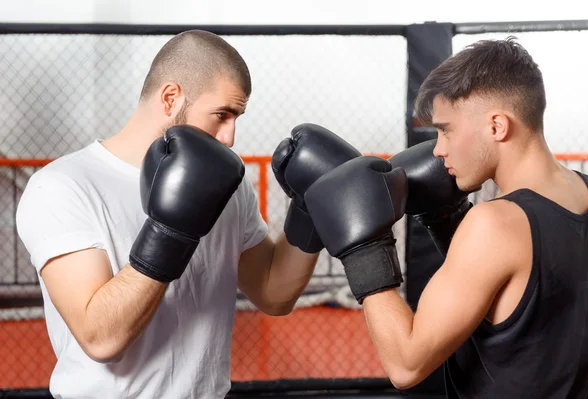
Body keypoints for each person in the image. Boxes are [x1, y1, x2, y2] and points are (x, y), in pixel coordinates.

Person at [16, 29, 361, 399]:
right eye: (222, 114)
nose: (229, 137)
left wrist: (308, 207)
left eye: (237, 117)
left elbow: (274, 293)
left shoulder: (229, 184)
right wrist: (170, 230)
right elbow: (100, 338)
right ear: (170, 98)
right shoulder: (63, 186)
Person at [302, 37, 588, 398]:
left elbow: (406, 365)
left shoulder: (494, 224)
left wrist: (364, 247)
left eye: (446, 129)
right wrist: (447, 218)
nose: (439, 149)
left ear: (496, 126)